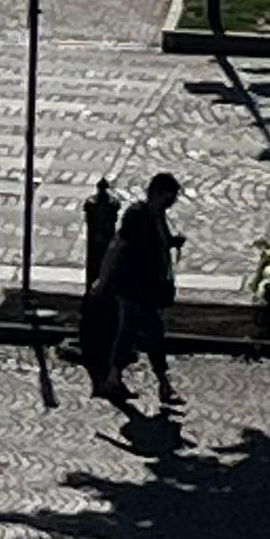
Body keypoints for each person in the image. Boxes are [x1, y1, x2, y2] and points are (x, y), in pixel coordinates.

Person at [89, 171, 184, 411]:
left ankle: (116, 378)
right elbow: (117, 246)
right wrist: (102, 278)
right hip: (133, 286)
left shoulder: (157, 215)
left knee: (132, 332)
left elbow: (157, 243)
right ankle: (162, 384)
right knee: (147, 333)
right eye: (169, 198)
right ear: (157, 194)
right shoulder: (137, 216)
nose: (171, 203)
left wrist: (172, 242)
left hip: (148, 286)